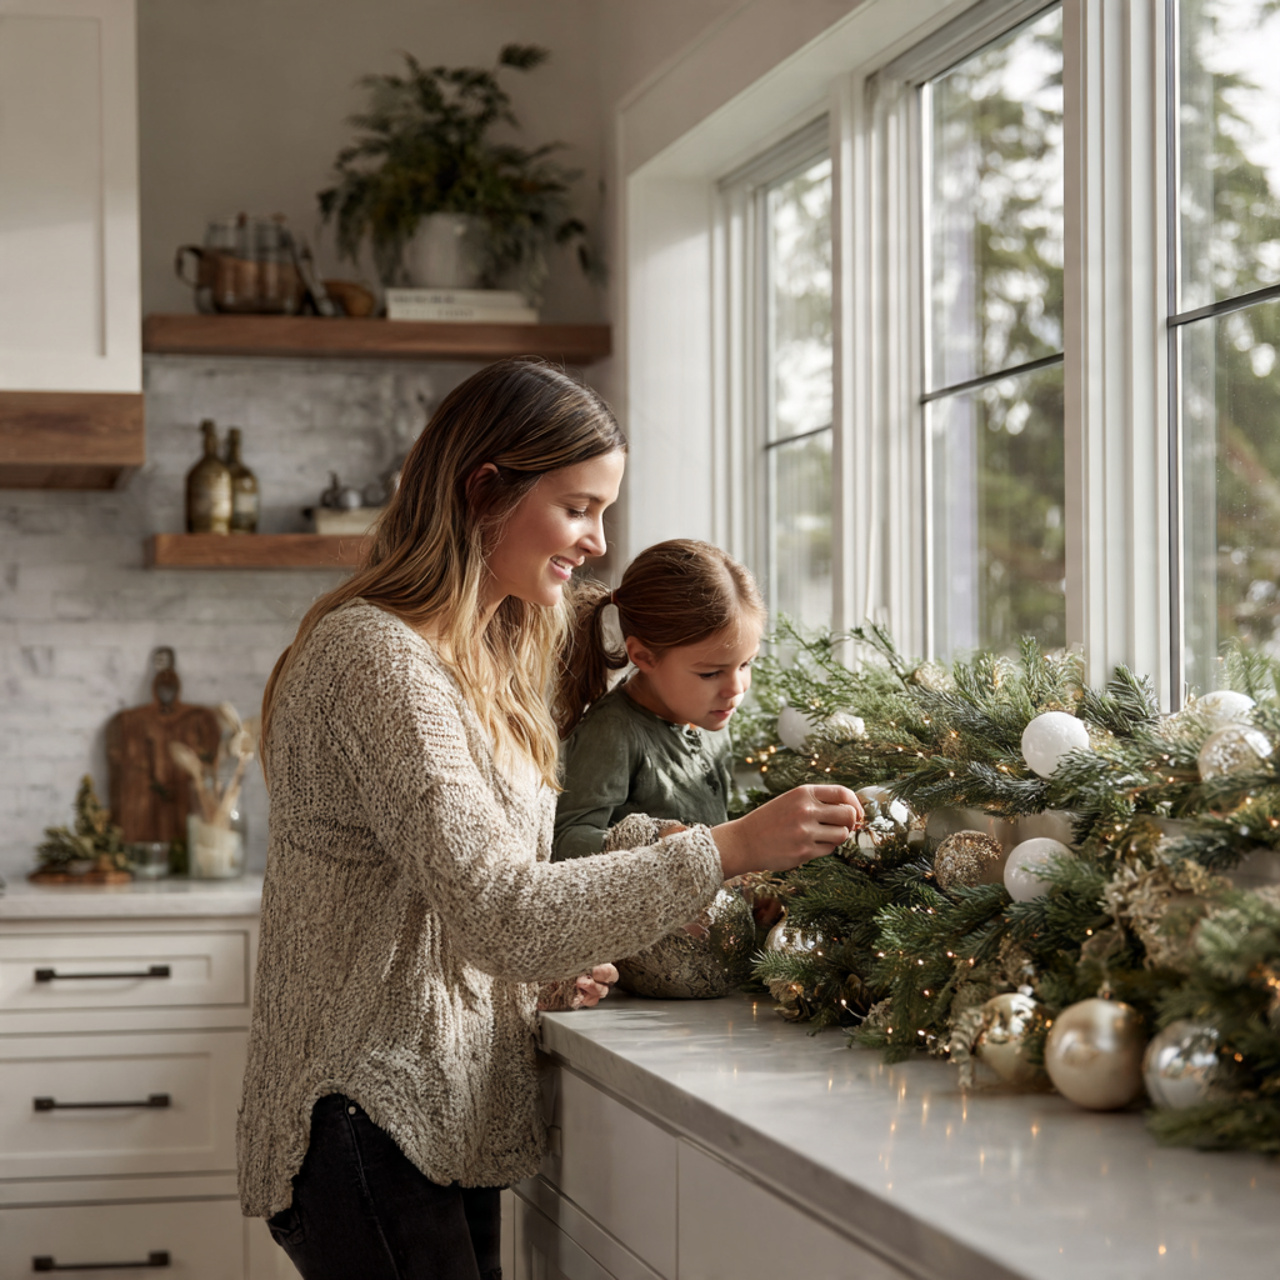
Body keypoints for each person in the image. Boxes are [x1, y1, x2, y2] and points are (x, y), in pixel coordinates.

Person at [236, 358, 862, 1280]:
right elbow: (500, 911)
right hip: (364, 1114)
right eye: (578, 508)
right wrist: (730, 850)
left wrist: (535, 986)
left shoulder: (481, 656)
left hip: (432, 1112)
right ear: (484, 491)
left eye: (603, 511)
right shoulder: (377, 660)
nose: (597, 543)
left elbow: (455, 911)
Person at [553, 539, 764, 862]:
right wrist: (658, 838)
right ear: (643, 656)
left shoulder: (709, 715)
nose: (736, 688)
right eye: (710, 673)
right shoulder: (612, 733)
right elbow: (567, 841)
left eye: (746, 664)